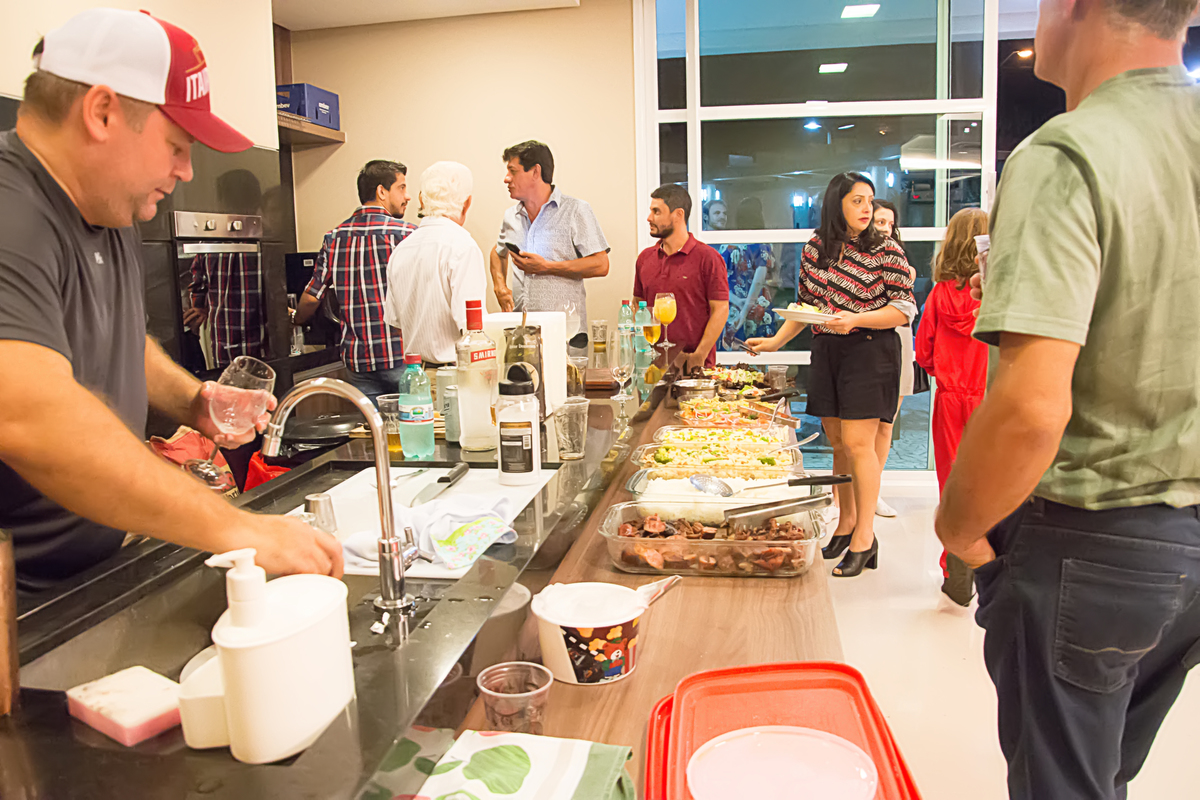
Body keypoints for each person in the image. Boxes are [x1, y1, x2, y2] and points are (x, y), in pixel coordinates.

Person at [934, 1, 1200, 797]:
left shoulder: (1069, 150)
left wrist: (958, 528)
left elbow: (1029, 407)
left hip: (1095, 536)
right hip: (1185, 541)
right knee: (1107, 771)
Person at [0, 8, 342, 591]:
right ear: (102, 112)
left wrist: (194, 399)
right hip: (17, 599)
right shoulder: (12, 211)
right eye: (176, 144)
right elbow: (28, 415)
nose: (186, 170)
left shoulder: (108, 208)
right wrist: (241, 530)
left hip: (84, 574)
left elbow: (119, 339)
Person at [748, 173, 915, 578]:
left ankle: (865, 537)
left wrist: (855, 318)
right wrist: (775, 341)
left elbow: (904, 308)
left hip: (870, 350)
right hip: (827, 349)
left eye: (870, 201)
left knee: (860, 444)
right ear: (836, 204)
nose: (866, 209)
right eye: (857, 201)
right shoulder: (815, 248)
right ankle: (844, 524)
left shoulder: (885, 248)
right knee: (838, 442)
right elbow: (807, 304)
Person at [913, 208, 988, 607]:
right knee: (992, 483)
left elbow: (922, 348)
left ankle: (954, 566)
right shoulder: (994, 294)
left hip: (949, 397)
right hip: (989, 398)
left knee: (952, 485)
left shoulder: (940, 294)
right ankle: (992, 563)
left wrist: (943, 367)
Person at [294, 160, 415, 405]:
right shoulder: (407, 234)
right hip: (402, 357)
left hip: (358, 360)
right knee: (414, 433)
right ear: (382, 191)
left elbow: (311, 298)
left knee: (373, 435)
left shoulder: (334, 238)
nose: (407, 196)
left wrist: (295, 319)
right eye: (401, 188)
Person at [488, 141, 610, 328]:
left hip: (566, 334)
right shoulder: (510, 216)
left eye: (513, 171)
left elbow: (601, 265)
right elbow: (498, 252)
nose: (506, 178)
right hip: (521, 333)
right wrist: (500, 287)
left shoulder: (576, 210)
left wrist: (547, 267)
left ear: (536, 172)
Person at [384, 161, 487, 367]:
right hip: (454, 376)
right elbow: (473, 329)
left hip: (414, 375)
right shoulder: (463, 247)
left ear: (422, 199)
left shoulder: (402, 249)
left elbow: (396, 324)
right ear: (467, 203)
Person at [633, 184, 730, 372]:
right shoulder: (645, 258)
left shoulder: (708, 258)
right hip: (650, 369)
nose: (649, 218)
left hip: (694, 368)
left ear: (678, 214)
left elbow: (720, 309)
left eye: (656, 212)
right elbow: (638, 303)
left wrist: (699, 355)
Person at [186, 168, 269, 370]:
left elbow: (198, 281)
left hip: (224, 342)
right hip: (264, 344)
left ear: (222, 202)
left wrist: (199, 305)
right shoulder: (267, 238)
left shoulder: (209, 242)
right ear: (257, 200)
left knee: (229, 397)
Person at [870, 199, 911, 519]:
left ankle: (874, 492)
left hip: (899, 340)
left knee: (887, 424)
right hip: (866, 344)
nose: (885, 229)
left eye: (889, 224)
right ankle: (842, 500)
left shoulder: (901, 263)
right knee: (852, 435)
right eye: (878, 222)